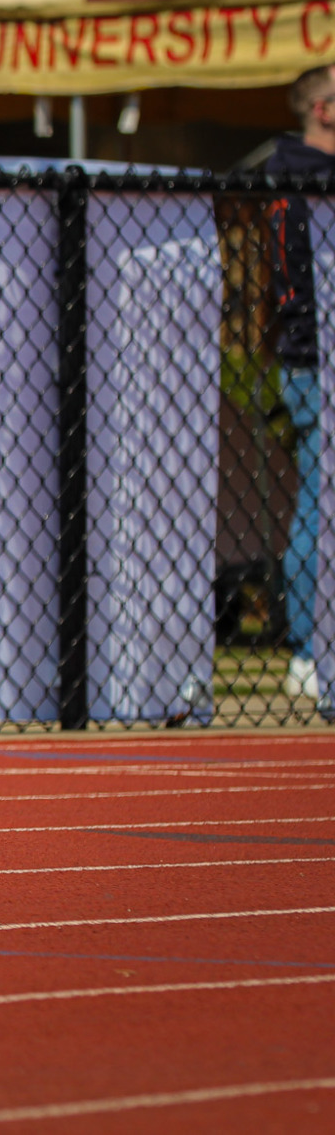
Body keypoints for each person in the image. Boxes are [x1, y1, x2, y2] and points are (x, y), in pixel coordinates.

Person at [270, 65, 335, 722]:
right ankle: (306, 647)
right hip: (315, 357)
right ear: (323, 108)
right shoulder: (301, 177)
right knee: (321, 498)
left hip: (312, 354)